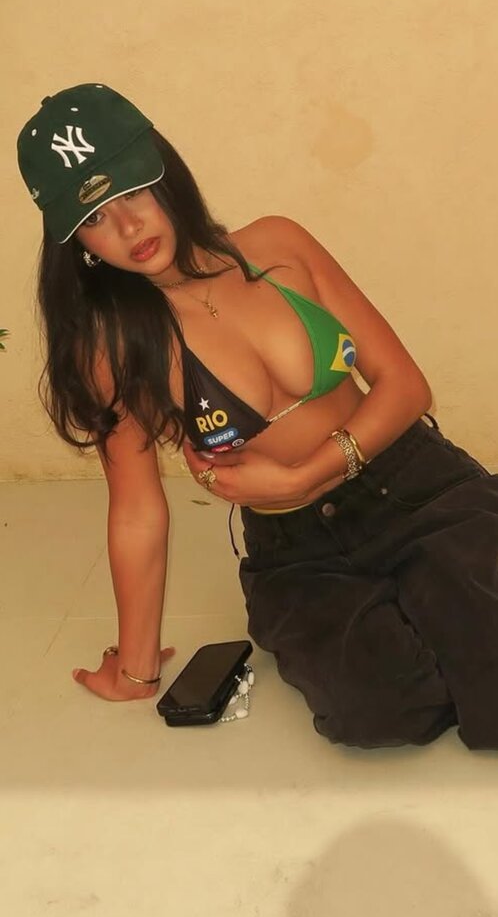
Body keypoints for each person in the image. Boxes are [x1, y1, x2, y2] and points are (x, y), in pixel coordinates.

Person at [17, 82, 498, 750]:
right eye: (95, 216)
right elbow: (136, 507)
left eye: (132, 192)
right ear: (78, 242)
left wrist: (307, 473)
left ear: (163, 172)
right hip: (297, 548)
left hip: (415, 485)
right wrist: (136, 668)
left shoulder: (277, 245)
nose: (128, 229)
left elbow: (404, 386)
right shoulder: (113, 347)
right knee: (379, 716)